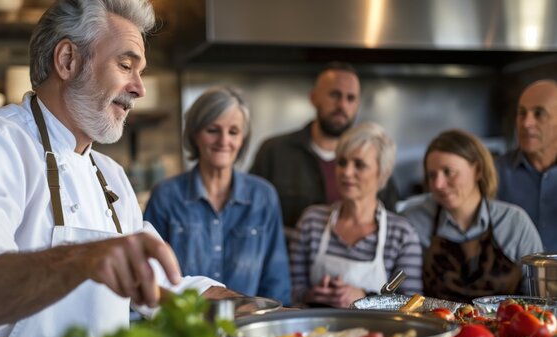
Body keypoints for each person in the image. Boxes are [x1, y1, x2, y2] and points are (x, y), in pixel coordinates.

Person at [0, 1, 230, 337]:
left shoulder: (109, 174)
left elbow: (160, 282)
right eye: (125, 65)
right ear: (67, 60)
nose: (139, 88)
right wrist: (81, 259)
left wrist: (243, 308)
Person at [144, 86, 291, 305]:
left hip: (249, 328)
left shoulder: (263, 196)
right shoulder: (166, 196)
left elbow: (276, 280)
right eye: (213, 130)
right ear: (195, 134)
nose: (224, 141)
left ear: (243, 139)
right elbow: (151, 276)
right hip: (184, 328)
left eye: (233, 132)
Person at [249, 62, 400, 229]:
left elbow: (391, 220)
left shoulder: (373, 159)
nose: (342, 105)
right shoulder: (275, 152)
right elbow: (250, 213)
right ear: (313, 98)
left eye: (350, 98)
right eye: (335, 95)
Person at [289, 122, 422, 308]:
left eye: (359, 165)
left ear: (382, 173)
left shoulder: (402, 236)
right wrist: (313, 294)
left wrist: (364, 298)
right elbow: (290, 290)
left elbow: (410, 303)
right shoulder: (312, 222)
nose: (347, 172)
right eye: (342, 163)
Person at [401, 129, 543, 303]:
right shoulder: (413, 220)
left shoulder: (514, 223)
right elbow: (405, 296)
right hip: (439, 328)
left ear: (477, 170)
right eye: (432, 175)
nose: (438, 184)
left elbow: (538, 301)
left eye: (448, 172)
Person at [496, 79, 557, 252]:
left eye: (539, 113)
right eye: (521, 113)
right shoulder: (494, 173)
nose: (526, 123)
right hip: (514, 278)